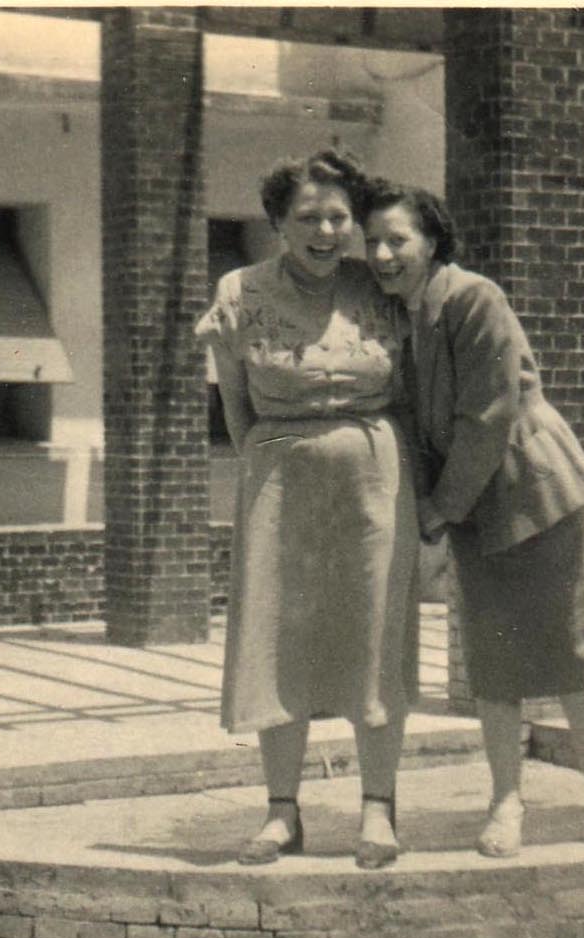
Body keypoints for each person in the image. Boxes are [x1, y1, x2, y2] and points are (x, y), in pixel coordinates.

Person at [361, 182, 584, 857]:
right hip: (474, 510)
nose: (380, 253)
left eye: (396, 239)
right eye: (370, 242)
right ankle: (504, 802)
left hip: (533, 492)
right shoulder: (404, 314)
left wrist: (437, 509)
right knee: (493, 662)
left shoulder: (471, 298)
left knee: (571, 651)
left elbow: (487, 417)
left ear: (431, 240)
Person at [195, 151, 419, 870]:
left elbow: (415, 387)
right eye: (307, 217)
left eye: (338, 217)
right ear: (276, 224)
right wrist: (274, 460)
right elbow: (232, 399)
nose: (326, 231)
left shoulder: (378, 286)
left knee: (374, 640)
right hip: (277, 483)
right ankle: (281, 814)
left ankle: (378, 811)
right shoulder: (239, 290)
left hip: (373, 481)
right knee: (274, 641)